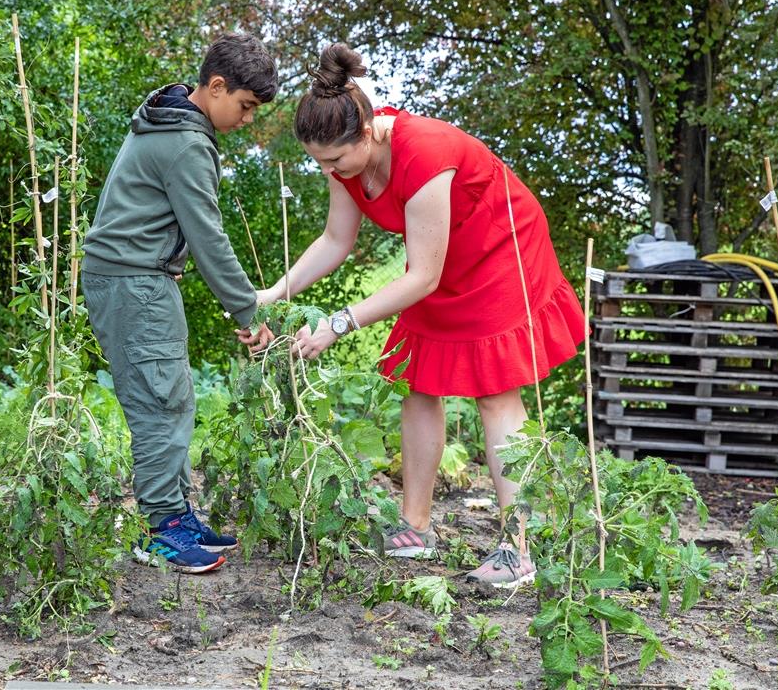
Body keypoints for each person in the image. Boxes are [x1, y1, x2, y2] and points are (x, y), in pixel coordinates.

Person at [255, 43, 584, 587]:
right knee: (415, 380)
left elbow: (422, 278)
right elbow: (336, 241)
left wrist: (338, 324)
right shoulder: (345, 167)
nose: (327, 170)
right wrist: (275, 292)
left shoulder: (425, 154)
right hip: (437, 259)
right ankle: (415, 525)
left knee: (495, 391)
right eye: (318, 161)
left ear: (367, 132)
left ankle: (519, 546)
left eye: (334, 159)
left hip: (499, 251)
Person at [82, 33, 277, 574]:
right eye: (244, 106)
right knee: (160, 403)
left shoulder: (169, 123)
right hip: (134, 282)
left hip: (133, 279)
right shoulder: (186, 144)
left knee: (171, 398)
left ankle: (173, 514)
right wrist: (248, 310)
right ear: (216, 87)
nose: (246, 119)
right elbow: (208, 236)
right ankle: (162, 531)